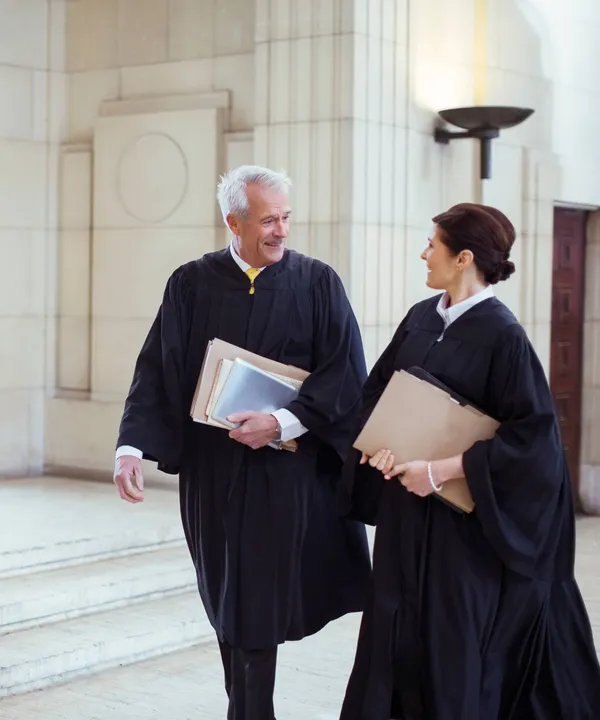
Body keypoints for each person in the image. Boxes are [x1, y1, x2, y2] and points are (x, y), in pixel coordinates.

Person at [113, 165, 371, 720]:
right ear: (233, 221)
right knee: (227, 595)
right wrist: (130, 447)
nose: (281, 231)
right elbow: (158, 367)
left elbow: (345, 372)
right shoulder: (191, 282)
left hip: (284, 473)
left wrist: (282, 422)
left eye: (286, 218)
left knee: (255, 598)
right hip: (213, 474)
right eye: (268, 221)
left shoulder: (317, 282)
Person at [338, 202, 600, 719]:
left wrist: (439, 471)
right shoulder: (419, 319)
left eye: (431, 246)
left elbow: (534, 443)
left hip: (460, 533)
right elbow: (376, 395)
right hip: (403, 516)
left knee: (447, 644)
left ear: (463, 258)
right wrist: (381, 447)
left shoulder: (503, 337)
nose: (423, 254)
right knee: (391, 636)